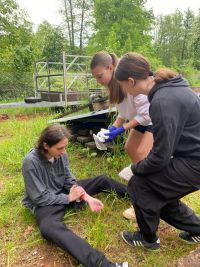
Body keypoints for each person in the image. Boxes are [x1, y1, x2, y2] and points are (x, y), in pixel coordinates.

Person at [114, 52, 200, 251]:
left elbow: (160, 156)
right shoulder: (171, 89)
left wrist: (136, 168)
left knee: (139, 185)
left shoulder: (162, 101)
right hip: (191, 158)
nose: (123, 90)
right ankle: (197, 229)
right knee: (162, 195)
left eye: (122, 85)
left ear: (131, 81)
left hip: (194, 163)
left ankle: (148, 239)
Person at [22, 124, 128, 267]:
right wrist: (69, 198)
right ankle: (102, 264)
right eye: (60, 148)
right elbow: (39, 198)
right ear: (46, 145)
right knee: (49, 228)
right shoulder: (30, 162)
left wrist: (86, 197)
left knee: (102, 180)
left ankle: (142, 198)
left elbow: (69, 180)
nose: (64, 152)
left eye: (65, 147)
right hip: (46, 203)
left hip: (66, 192)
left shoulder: (62, 154)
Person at [90, 51, 154, 219]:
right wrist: (111, 129)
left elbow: (145, 115)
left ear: (110, 68)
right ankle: (142, 187)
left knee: (141, 155)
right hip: (140, 121)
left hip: (154, 120)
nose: (98, 81)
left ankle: (146, 201)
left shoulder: (128, 81)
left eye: (100, 76)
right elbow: (123, 113)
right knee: (130, 148)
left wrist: (122, 129)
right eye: (95, 77)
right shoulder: (114, 87)